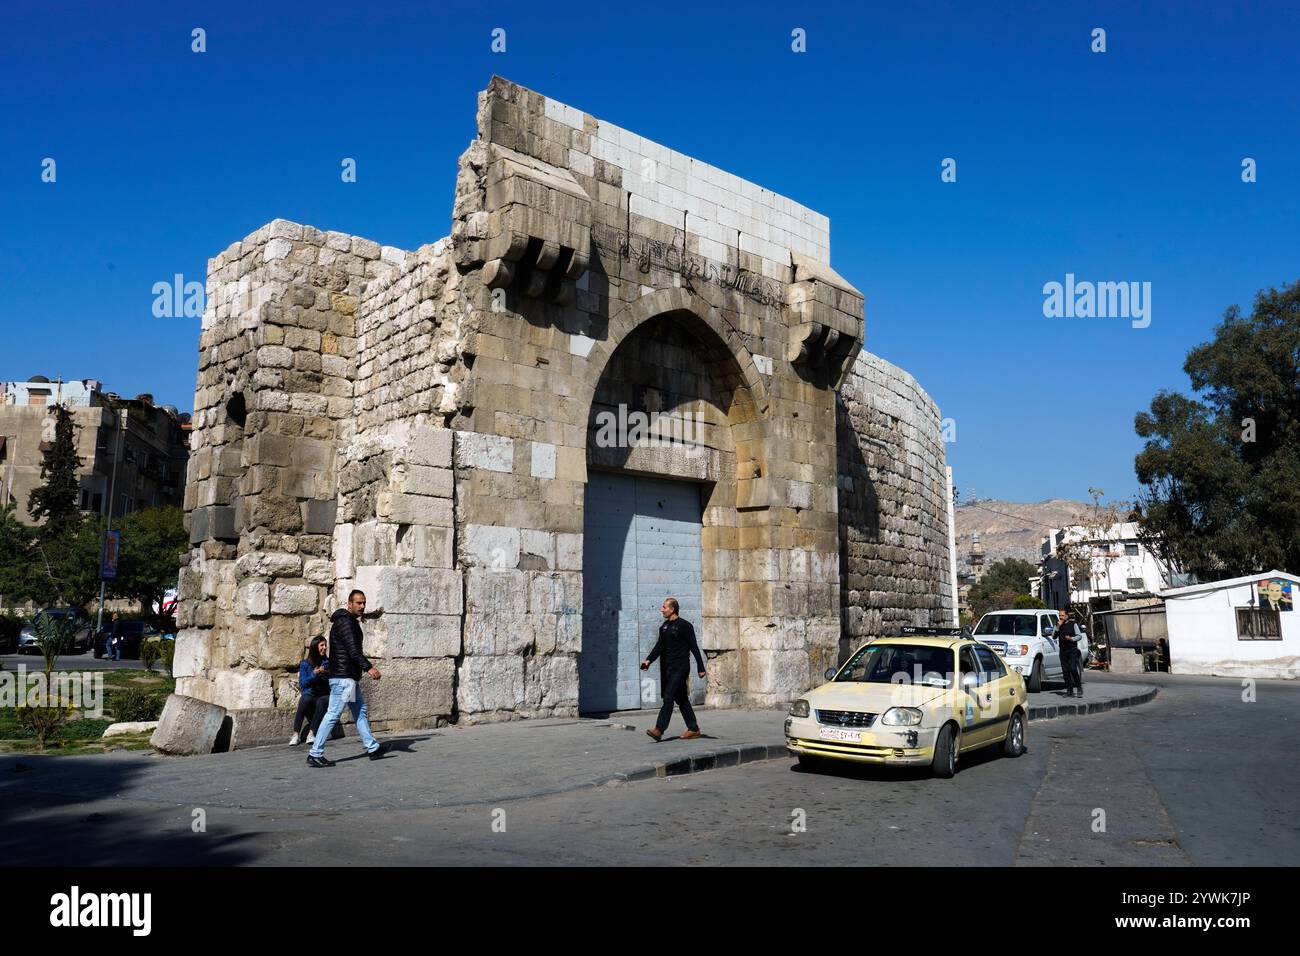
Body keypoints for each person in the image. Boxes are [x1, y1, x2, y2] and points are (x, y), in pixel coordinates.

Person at [307, 590, 387, 767]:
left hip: (348, 678)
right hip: (344, 680)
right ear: (349, 604)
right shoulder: (346, 622)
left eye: (364, 603)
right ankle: (315, 753)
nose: (362, 606)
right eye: (358, 603)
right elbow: (353, 651)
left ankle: (372, 747)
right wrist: (369, 668)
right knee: (333, 714)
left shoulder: (347, 621)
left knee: (360, 712)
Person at [639, 597, 707, 741]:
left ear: (672, 609)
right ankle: (694, 728)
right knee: (681, 699)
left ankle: (659, 729)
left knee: (669, 696)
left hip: (681, 667)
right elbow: (659, 647)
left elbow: (694, 647)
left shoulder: (685, 626)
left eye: (664, 607)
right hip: (668, 668)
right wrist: (648, 660)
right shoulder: (664, 627)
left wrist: (701, 668)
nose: (661, 610)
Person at [290, 637, 331, 747]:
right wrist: (314, 674)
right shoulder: (305, 664)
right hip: (310, 693)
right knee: (305, 699)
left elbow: (331, 681)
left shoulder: (327, 663)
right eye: (322, 645)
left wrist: (325, 673)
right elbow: (303, 683)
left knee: (322, 701)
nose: (325, 648)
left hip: (323, 694)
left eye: (325, 645)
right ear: (315, 647)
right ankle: (296, 734)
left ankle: (311, 733)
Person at [1056, 608, 1084, 698]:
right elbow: (1053, 636)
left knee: (1073, 668)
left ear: (1067, 616)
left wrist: (1071, 639)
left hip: (1072, 649)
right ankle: (1069, 691)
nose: (1061, 617)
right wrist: (1057, 627)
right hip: (1063, 650)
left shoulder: (1073, 624)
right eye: (1060, 615)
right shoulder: (1058, 625)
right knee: (1065, 671)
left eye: (1062, 615)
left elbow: (1079, 636)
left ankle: (1079, 686)